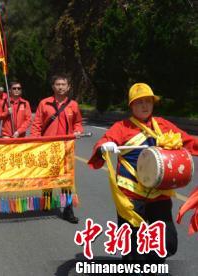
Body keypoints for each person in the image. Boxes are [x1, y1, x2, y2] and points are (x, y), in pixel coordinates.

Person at [88, 83, 198, 262]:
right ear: (131, 106)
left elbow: (188, 141)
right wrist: (104, 148)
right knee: (132, 250)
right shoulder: (121, 127)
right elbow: (103, 143)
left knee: (167, 243)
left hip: (159, 194)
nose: (144, 106)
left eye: (148, 101)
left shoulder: (162, 125)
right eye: (139, 102)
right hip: (130, 195)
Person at [31, 74, 83, 223]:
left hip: (66, 147)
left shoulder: (73, 105)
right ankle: (47, 201)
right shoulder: (44, 103)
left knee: (66, 180)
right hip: (48, 147)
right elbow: (37, 125)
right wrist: (36, 142)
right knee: (48, 175)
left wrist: (78, 130)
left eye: (63, 84)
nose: (60, 87)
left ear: (68, 87)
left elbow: (78, 122)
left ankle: (68, 210)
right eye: (57, 84)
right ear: (53, 87)